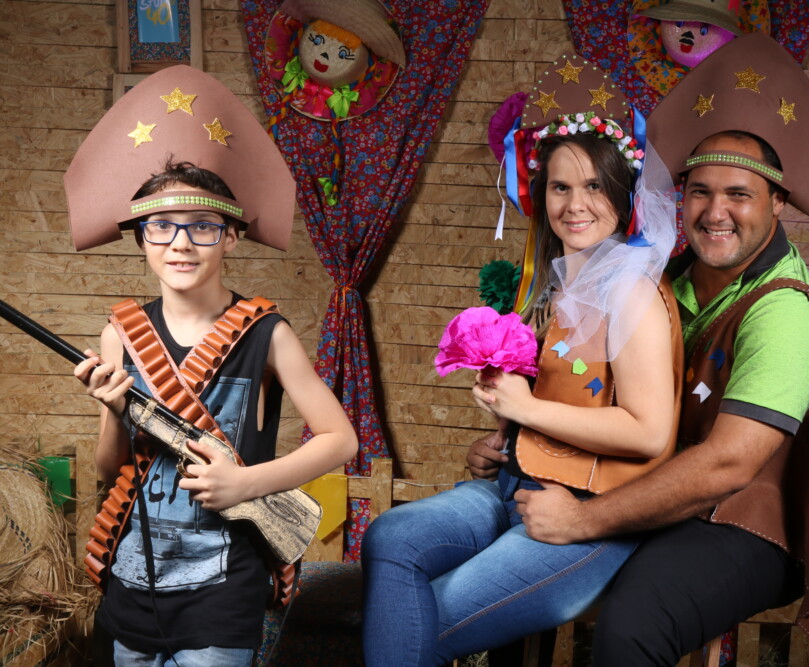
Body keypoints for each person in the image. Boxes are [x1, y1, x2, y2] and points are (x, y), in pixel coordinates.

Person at [511, 32, 809, 665]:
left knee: (637, 619)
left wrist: (582, 521)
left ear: (778, 202)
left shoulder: (786, 311)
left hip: (749, 520)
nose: (715, 211)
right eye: (701, 191)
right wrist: (514, 439)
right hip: (660, 489)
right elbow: (600, 394)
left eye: (739, 194)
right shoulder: (665, 280)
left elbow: (728, 466)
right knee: (521, 570)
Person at [361, 55, 684, 666]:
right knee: (390, 536)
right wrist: (506, 438)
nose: (575, 204)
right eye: (561, 187)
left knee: (422, 619)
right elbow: (572, 397)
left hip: (589, 509)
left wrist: (527, 409)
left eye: (594, 186)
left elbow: (649, 432)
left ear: (623, 194)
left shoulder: (632, 290)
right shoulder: (560, 284)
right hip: (514, 485)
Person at [63, 66, 359, 665]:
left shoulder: (268, 333)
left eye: (202, 227)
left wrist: (246, 484)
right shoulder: (120, 333)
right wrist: (113, 410)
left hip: (225, 586)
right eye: (161, 226)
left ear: (231, 237)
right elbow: (110, 468)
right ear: (141, 238)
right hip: (132, 577)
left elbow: (341, 439)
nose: (180, 243)